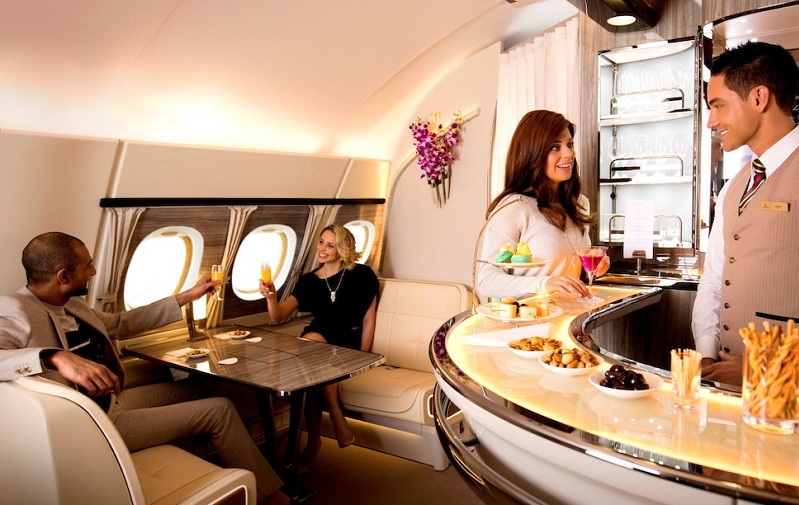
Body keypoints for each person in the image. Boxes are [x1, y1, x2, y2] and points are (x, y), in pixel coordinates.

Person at [0, 232, 287, 505]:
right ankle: (270, 497)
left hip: (113, 401)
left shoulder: (72, 305)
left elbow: (119, 324)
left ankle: (211, 458)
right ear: (63, 276)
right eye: (87, 265)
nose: (94, 271)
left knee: (202, 386)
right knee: (219, 409)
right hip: (97, 424)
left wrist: (188, 295)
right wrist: (55, 357)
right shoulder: (16, 309)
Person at [692, 41, 799, 386]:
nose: (711, 121)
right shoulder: (734, 185)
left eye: (718, 105)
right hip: (727, 388)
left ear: (759, 98)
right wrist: (707, 353)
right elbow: (714, 279)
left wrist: (766, 369)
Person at [260, 224, 378, 454]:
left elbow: (368, 319)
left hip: (347, 340)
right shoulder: (309, 281)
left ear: (343, 249)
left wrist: (363, 357)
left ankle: (314, 442)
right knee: (312, 347)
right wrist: (271, 296)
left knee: (311, 366)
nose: (322, 248)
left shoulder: (362, 275)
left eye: (330, 245)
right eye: (321, 242)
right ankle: (334, 416)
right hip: (319, 337)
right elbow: (277, 316)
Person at [476, 109, 602, 301]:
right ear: (532, 153)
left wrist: (593, 266)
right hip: (529, 317)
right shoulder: (514, 207)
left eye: (569, 144)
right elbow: (486, 281)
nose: (569, 154)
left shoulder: (579, 203)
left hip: (570, 315)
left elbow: (567, 269)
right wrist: (545, 284)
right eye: (555, 147)